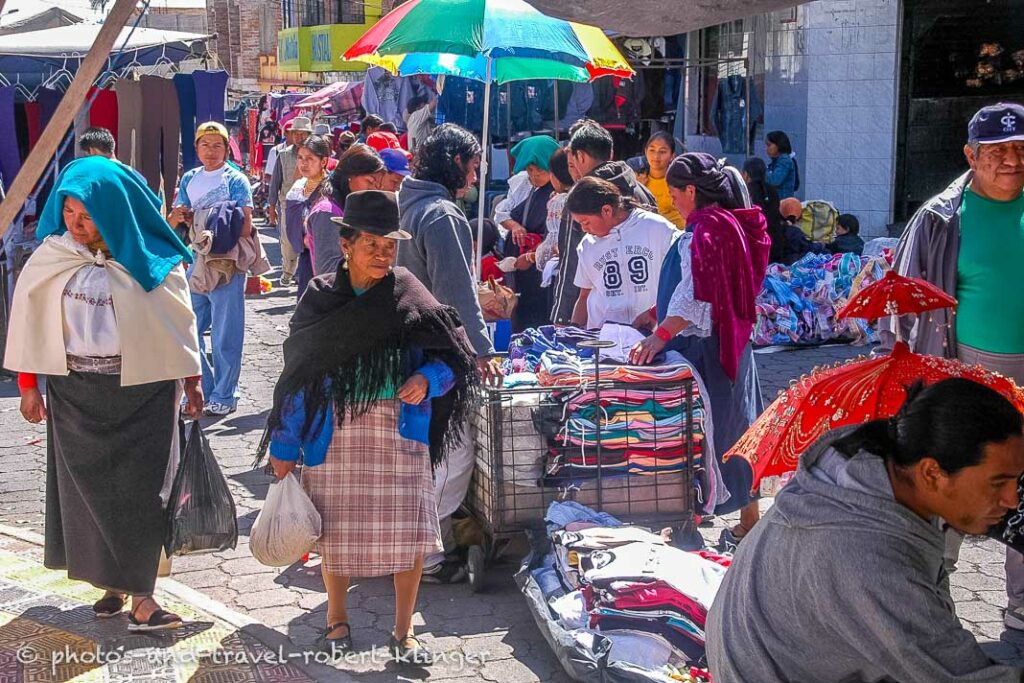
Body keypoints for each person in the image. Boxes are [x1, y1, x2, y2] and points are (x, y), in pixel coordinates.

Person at [264, 190, 478, 664]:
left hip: (398, 432)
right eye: (372, 245)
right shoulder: (321, 298)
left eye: (389, 246)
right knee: (334, 534)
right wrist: (284, 443)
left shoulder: (407, 293)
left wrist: (427, 379)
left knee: (409, 536)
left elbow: (454, 358)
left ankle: (405, 634)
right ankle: (336, 622)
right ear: (346, 244)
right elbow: (301, 375)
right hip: (333, 432)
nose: (383, 255)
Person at [707, 378, 1024, 683]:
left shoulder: (877, 462)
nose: (1011, 500)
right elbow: (963, 675)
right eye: (998, 483)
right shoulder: (868, 560)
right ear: (932, 473)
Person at [5, 156, 203, 632]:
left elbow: (180, 325)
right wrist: (29, 387)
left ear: (113, 212)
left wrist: (192, 383)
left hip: (143, 393)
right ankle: (111, 584)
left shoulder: (149, 259)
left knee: (141, 495)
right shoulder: (52, 255)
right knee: (87, 496)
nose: (75, 223)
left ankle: (143, 597)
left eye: (87, 215)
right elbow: (29, 320)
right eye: (69, 211)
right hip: (76, 394)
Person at [885, 102, 1024, 630]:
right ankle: (933, 601)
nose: (1012, 160)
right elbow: (902, 303)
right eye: (998, 151)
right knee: (956, 479)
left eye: (1021, 149)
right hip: (965, 373)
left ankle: (1022, 605)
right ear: (971, 154)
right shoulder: (941, 217)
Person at [629, 152, 769, 537]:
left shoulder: (708, 230)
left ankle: (695, 518)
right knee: (741, 424)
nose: (671, 199)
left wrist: (660, 336)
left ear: (691, 190)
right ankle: (747, 519)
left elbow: (697, 297)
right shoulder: (726, 224)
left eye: (675, 192)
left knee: (708, 431)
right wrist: (656, 312)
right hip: (730, 346)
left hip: (709, 351)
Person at [397, 123, 503, 583]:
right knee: (453, 452)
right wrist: (481, 351)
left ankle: (422, 545)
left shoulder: (408, 202)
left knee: (429, 450)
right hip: (437, 353)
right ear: (457, 163)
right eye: (475, 166)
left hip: (409, 343)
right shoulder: (440, 213)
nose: (476, 177)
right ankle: (422, 550)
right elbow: (455, 293)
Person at [169, 122, 254, 417]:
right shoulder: (190, 178)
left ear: (226, 147)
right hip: (194, 261)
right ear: (196, 148)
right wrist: (182, 216)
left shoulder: (235, 179)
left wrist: (214, 223)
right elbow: (176, 216)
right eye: (205, 144)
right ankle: (204, 386)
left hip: (225, 261)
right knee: (189, 327)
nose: (211, 151)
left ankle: (225, 394)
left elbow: (246, 225)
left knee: (225, 332)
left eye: (217, 145)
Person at [551, 120, 657, 325]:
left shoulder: (582, 198)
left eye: (571, 162)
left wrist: (562, 321)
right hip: (648, 320)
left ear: (579, 156)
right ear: (610, 153)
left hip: (601, 324)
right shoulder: (643, 191)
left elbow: (570, 265)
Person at [568, 176, 678, 329]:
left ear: (606, 210)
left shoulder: (656, 228)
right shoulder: (587, 245)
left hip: (651, 336)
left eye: (586, 222)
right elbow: (584, 296)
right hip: (604, 338)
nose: (584, 229)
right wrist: (573, 331)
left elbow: (682, 282)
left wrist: (654, 312)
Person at [503, 135, 560, 331]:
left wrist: (530, 256)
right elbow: (504, 214)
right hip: (525, 273)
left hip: (541, 275)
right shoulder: (531, 190)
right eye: (530, 170)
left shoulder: (557, 197)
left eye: (539, 170)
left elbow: (555, 239)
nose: (534, 176)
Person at [283, 136, 350, 293]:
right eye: (300, 158)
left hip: (327, 254)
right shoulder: (298, 186)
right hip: (305, 256)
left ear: (324, 161)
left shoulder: (332, 189)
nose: (303, 163)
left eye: (309, 158)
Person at [268, 117, 313, 286]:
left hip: (310, 203)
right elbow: (275, 183)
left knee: (309, 239)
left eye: (303, 134)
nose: (299, 137)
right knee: (288, 242)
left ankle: (306, 273)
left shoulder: (316, 154)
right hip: (288, 204)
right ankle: (288, 272)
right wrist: (272, 209)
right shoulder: (284, 155)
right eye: (296, 133)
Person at [532, 146, 575, 276]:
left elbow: (554, 242)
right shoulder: (578, 195)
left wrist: (531, 257)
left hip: (561, 271)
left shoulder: (558, 202)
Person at [742, 157, 785, 261]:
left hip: (757, 251)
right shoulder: (772, 191)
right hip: (776, 247)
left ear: (746, 175)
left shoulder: (746, 194)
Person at [642, 131, 685, 229]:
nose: (656, 156)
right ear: (645, 152)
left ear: (672, 155)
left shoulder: (680, 183)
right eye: (652, 150)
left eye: (662, 151)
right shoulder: (638, 180)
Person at [775, 196, 828, 265]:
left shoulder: (774, 228)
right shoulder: (795, 232)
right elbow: (808, 247)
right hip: (792, 263)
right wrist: (821, 244)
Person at [765, 130, 800, 199]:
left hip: (783, 203)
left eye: (769, 145)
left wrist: (761, 170)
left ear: (778, 145)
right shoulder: (776, 161)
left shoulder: (785, 160)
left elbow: (774, 180)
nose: (766, 149)